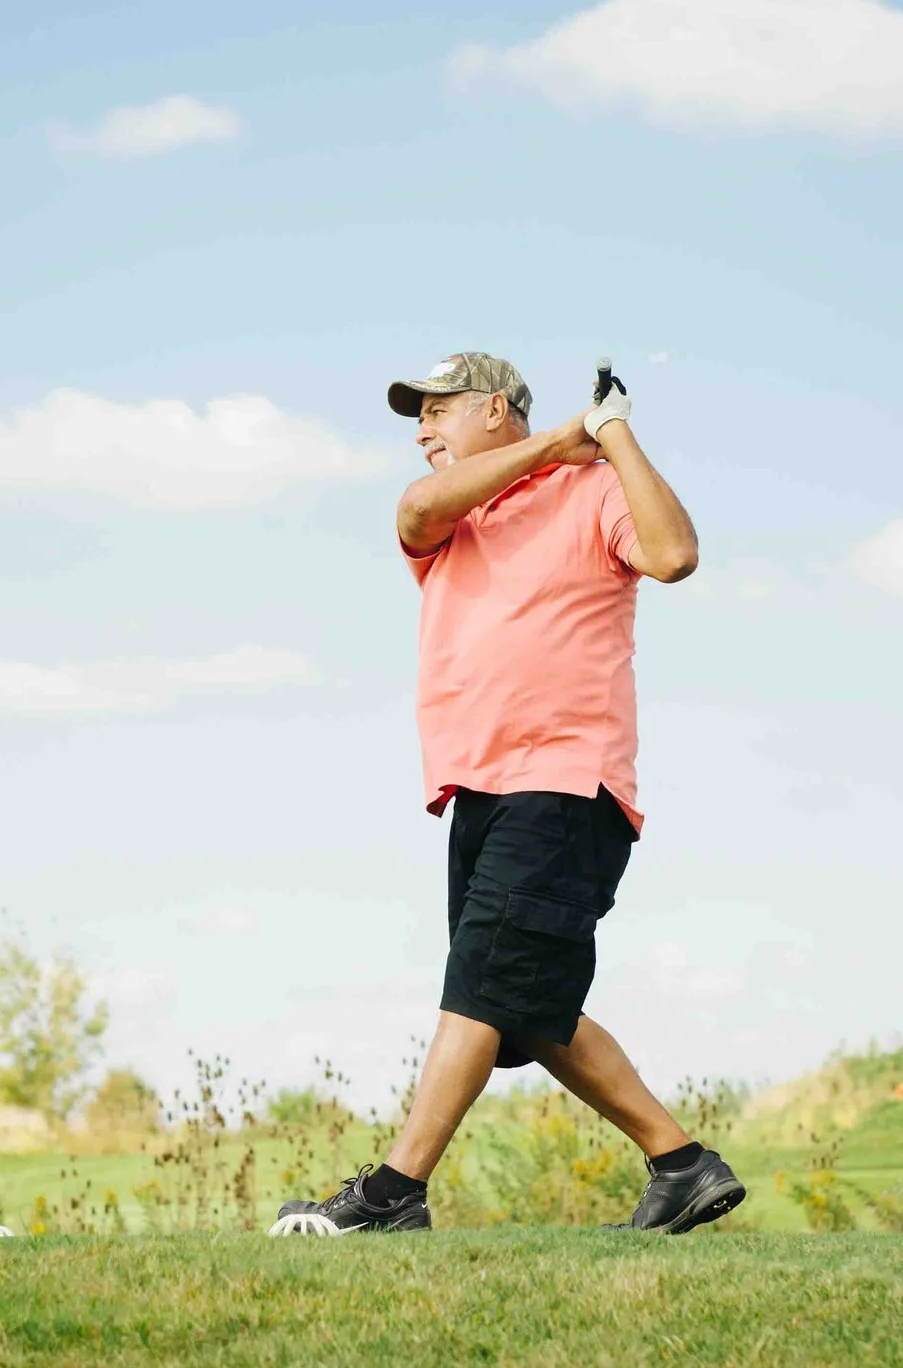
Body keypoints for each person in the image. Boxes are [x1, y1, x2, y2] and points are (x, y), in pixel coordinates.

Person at [272, 351, 745, 1236]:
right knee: (525, 1008)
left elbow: (675, 555)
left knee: (483, 984)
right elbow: (413, 510)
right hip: (480, 789)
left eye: (438, 411)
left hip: (565, 780)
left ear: (495, 409)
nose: (422, 432)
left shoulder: (596, 489)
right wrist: (561, 436)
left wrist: (608, 436)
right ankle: (682, 1165)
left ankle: (392, 1194)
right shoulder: (452, 514)